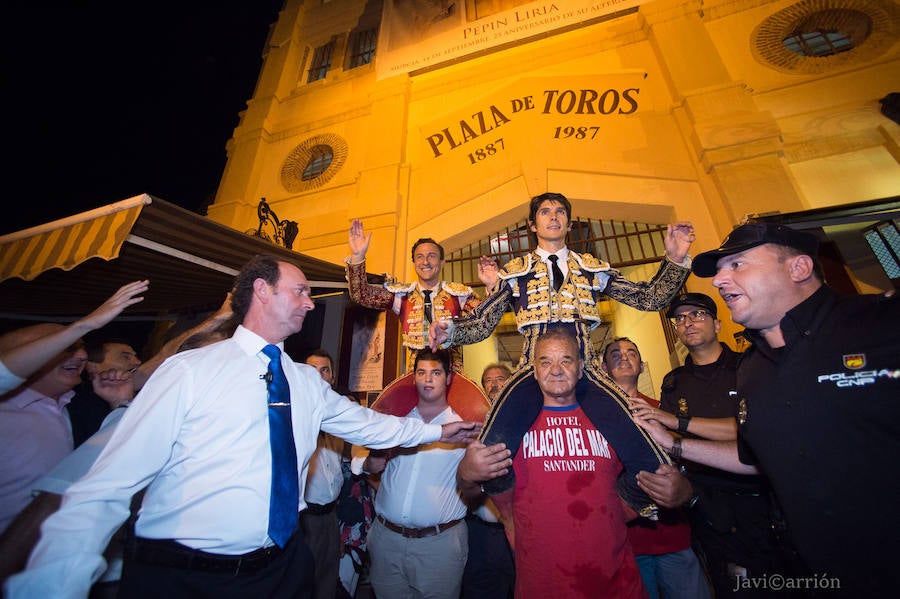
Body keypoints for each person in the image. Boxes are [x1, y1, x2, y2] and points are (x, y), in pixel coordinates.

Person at [6, 254, 480, 599]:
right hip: (183, 578)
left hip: (281, 570)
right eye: (300, 291)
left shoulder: (305, 383)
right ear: (261, 290)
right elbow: (106, 487)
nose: (311, 304)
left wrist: (438, 433)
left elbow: (373, 428)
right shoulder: (190, 371)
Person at [634, 223, 900, 597]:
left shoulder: (882, 327)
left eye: (737, 265)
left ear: (798, 268)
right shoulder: (754, 369)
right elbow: (755, 455)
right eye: (720, 270)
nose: (720, 280)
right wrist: (674, 444)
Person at [431, 192, 694, 511]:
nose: (553, 216)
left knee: (648, 455)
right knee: (490, 450)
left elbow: (648, 299)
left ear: (569, 224)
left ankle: (623, 501)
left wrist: (675, 260)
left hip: (588, 372)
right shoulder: (516, 270)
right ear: (532, 224)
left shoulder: (591, 267)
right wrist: (452, 330)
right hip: (531, 370)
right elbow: (484, 320)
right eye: (544, 212)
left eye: (559, 212)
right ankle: (520, 504)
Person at [459, 329, 692, 598]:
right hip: (541, 587)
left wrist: (678, 490)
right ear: (533, 370)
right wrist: (465, 473)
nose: (555, 370)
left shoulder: (615, 421)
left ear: (581, 368)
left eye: (566, 360)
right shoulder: (511, 429)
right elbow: (476, 493)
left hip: (616, 585)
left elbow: (669, 485)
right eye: (545, 362)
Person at [633, 292, 789, 597]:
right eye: (680, 318)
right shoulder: (674, 382)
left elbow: (755, 431)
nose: (688, 323)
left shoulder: (749, 367)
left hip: (762, 505)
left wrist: (677, 424)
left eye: (698, 315)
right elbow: (668, 446)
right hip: (705, 508)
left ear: (718, 324)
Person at [351, 349, 470, 599]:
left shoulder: (464, 428)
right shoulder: (395, 421)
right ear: (413, 377)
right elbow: (358, 454)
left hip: (439, 547)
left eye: (436, 373)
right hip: (386, 541)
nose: (428, 379)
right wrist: (367, 464)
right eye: (422, 372)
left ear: (448, 378)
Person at [601, 338, 709, 599]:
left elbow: (688, 463)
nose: (624, 357)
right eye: (615, 354)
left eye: (631, 353)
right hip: (623, 544)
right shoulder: (594, 417)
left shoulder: (664, 411)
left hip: (672, 537)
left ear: (641, 366)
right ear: (603, 368)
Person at [346, 219, 491, 370]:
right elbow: (361, 295)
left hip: (452, 374)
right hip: (417, 376)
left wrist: (492, 286)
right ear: (414, 263)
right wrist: (358, 256)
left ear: (442, 263)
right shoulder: (401, 296)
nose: (425, 262)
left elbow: (486, 319)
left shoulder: (458, 294)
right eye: (419, 257)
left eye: (432, 256)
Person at [0, 281, 149, 395]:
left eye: (81, 347)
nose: (82, 355)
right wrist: (83, 325)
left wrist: (118, 404)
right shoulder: (7, 410)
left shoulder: (73, 404)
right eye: (64, 347)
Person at [301, 349, 346, 599]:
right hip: (303, 519)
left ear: (332, 377)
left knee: (327, 582)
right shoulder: (295, 416)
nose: (318, 377)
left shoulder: (338, 421)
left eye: (324, 370)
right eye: (311, 371)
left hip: (330, 515)